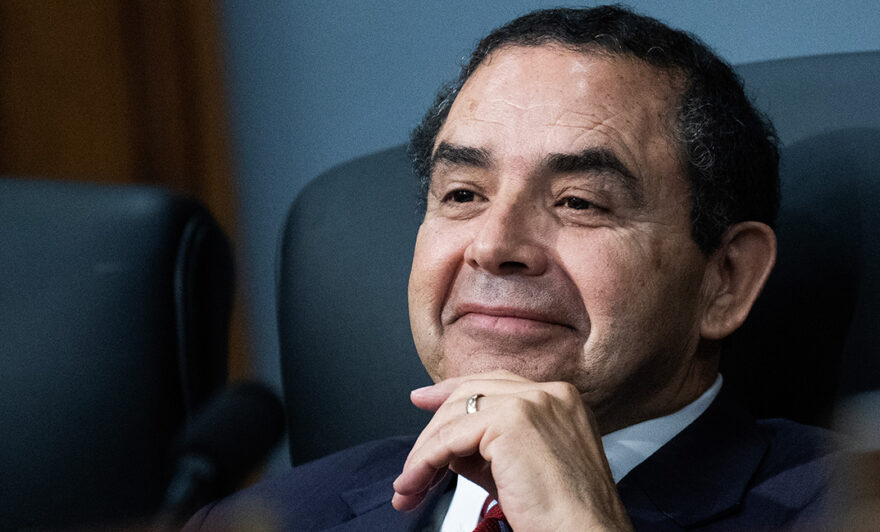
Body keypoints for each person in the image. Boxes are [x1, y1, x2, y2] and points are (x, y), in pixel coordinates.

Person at [186, 5, 833, 531]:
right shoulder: (264, 520)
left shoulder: (871, 505)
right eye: (463, 195)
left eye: (579, 202)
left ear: (726, 280)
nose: (494, 245)